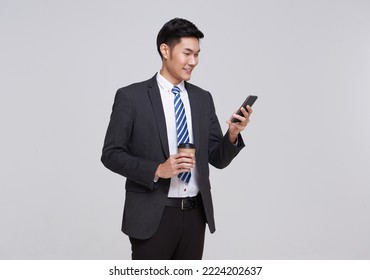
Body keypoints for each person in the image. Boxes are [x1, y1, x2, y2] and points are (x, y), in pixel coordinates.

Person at [101, 17, 253, 260]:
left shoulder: (203, 99)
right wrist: (158, 170)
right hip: (153, 215)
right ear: (165, 50)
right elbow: (110, 155)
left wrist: (233, 135)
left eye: (197, 54)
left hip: (195, 216)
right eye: (187, 53)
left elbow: (217, 159)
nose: (194, 62)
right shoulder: (131, 97)